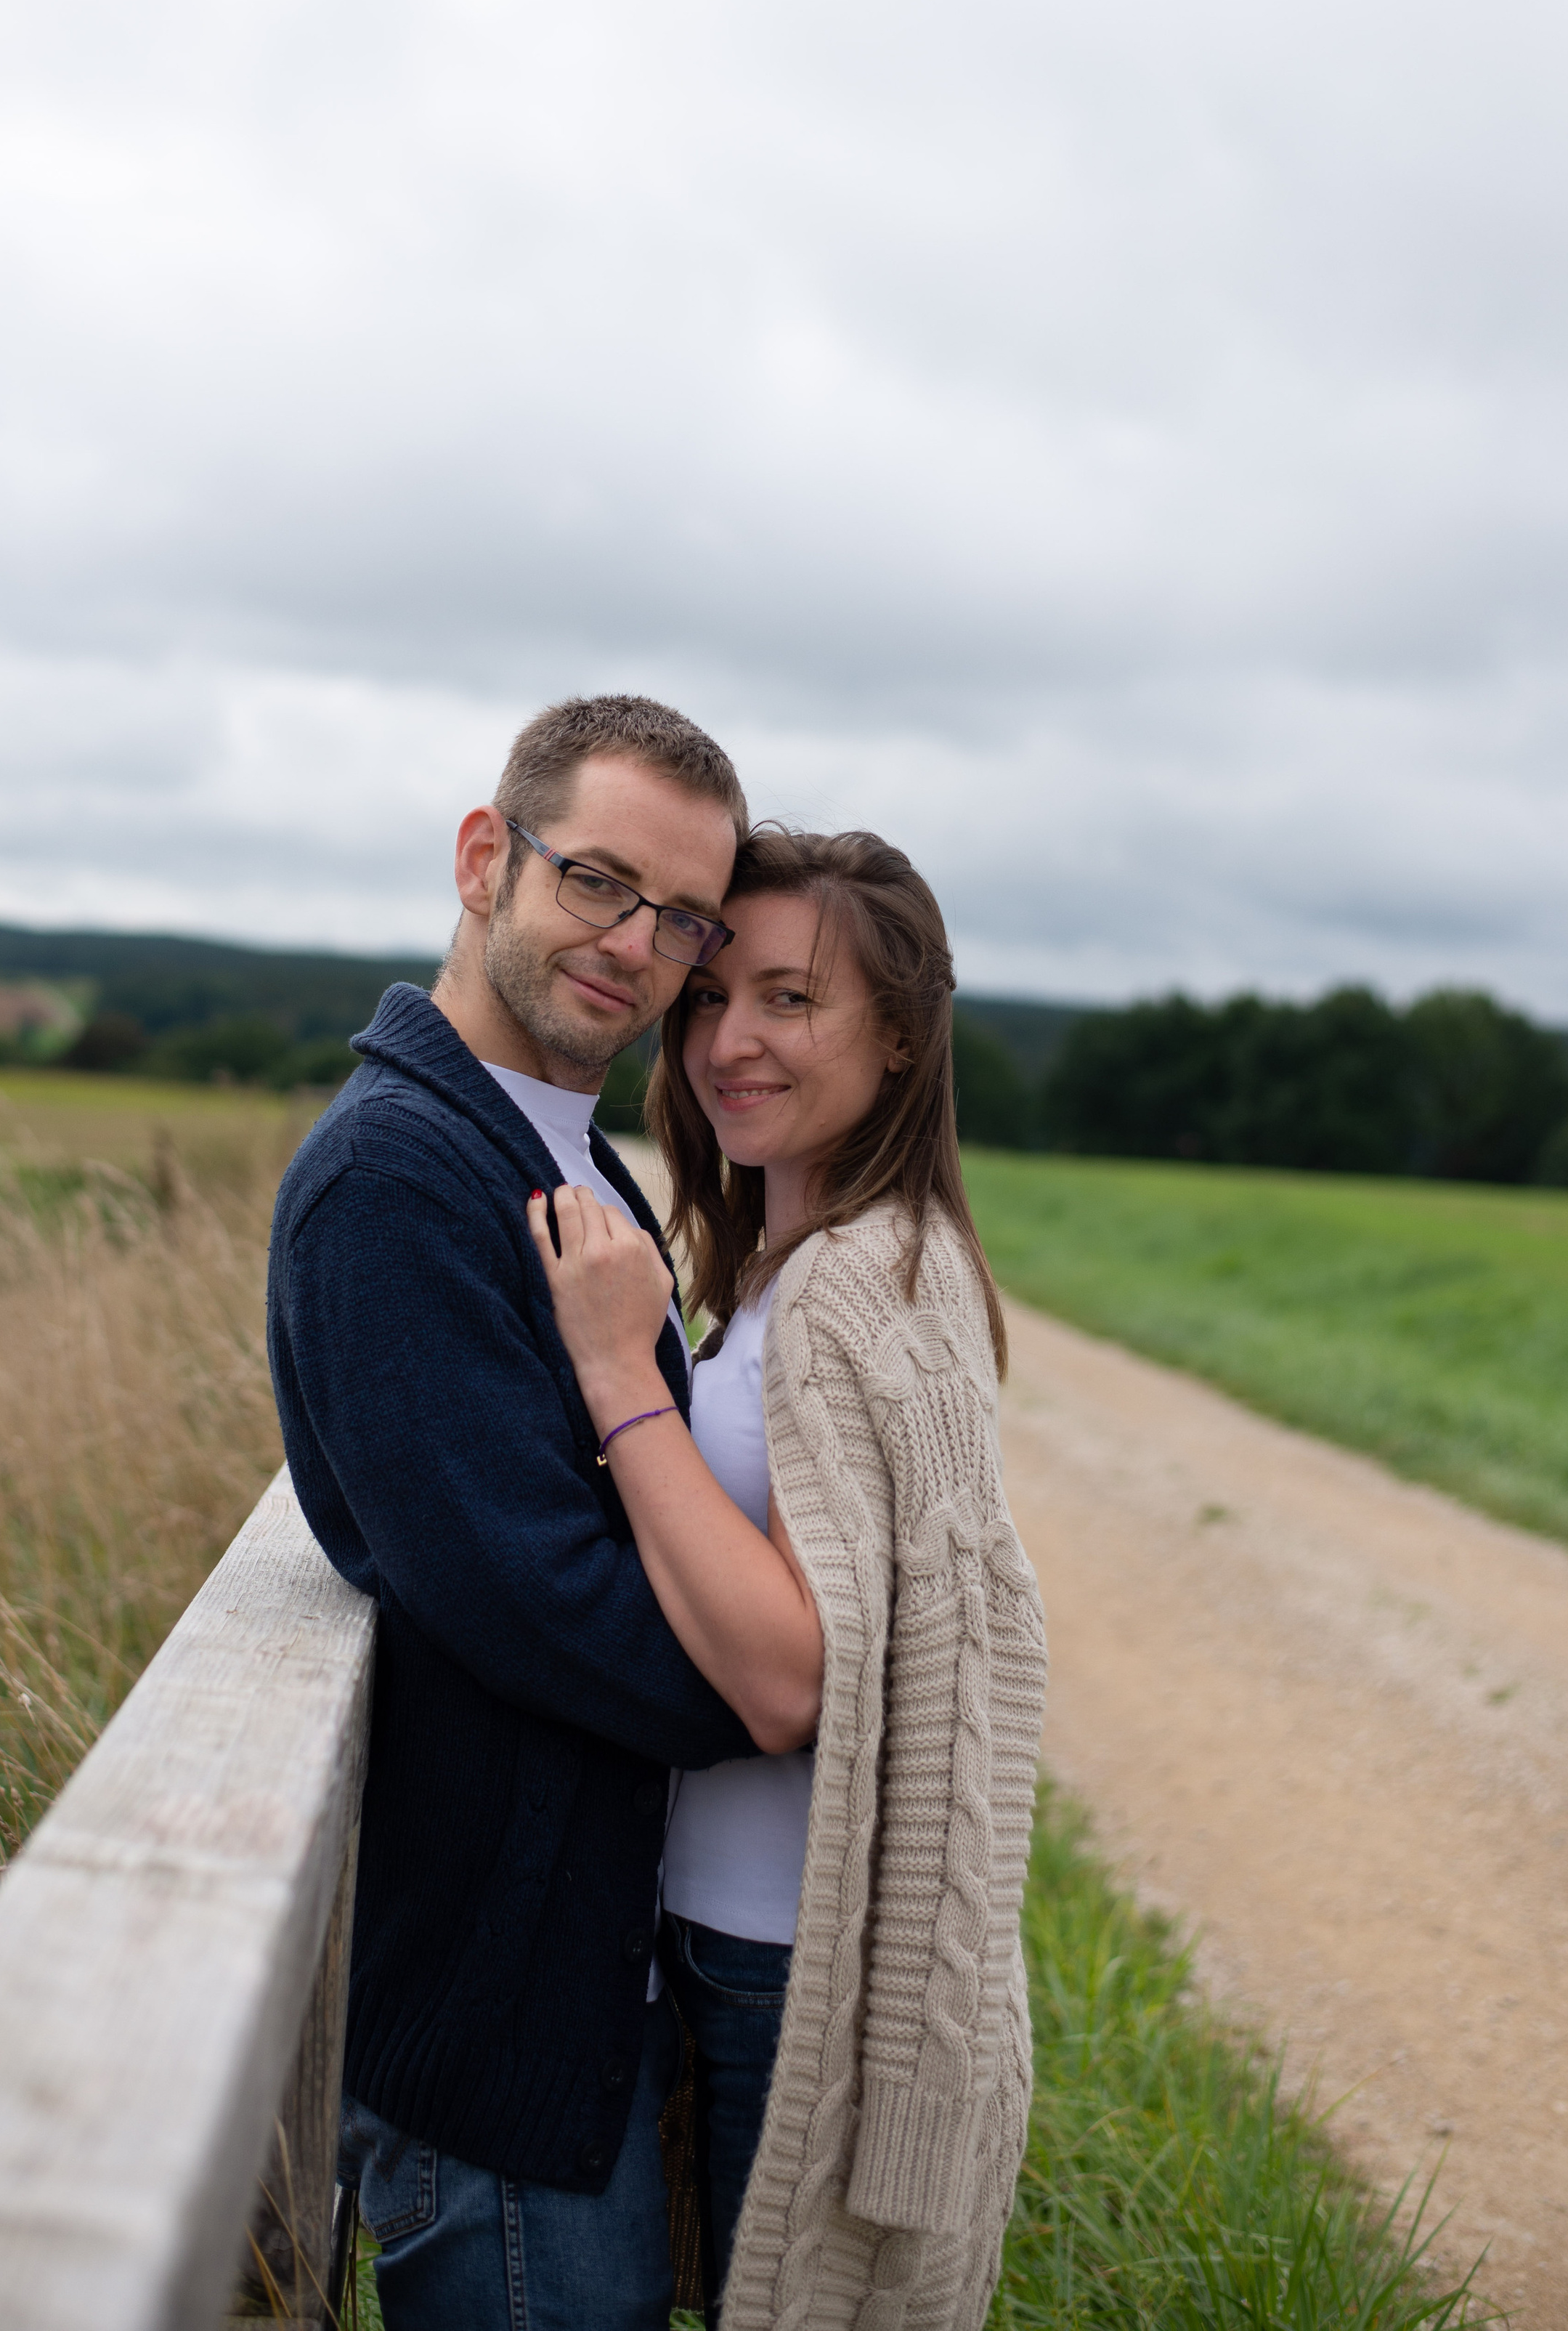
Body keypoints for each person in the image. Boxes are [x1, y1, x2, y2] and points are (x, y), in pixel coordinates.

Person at [267, 694, 768, 2331]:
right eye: (598, 883)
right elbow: (526, 1590)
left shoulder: (559, 1154)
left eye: (683, 917)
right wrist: (787, 1693)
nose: (639, 946)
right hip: (494, 2026)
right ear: (487, 857)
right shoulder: (397, 1179)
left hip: (581, 1976)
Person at [529, 825, 1048, 2331]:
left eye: (787, 1000)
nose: (727, 1043)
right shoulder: (835, 1261)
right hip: (735, 1949)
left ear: (896, 1039)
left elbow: (781, 1679)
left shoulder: (839, 1296)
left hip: (782, 1969)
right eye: (706, 999)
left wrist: (616, 1370)